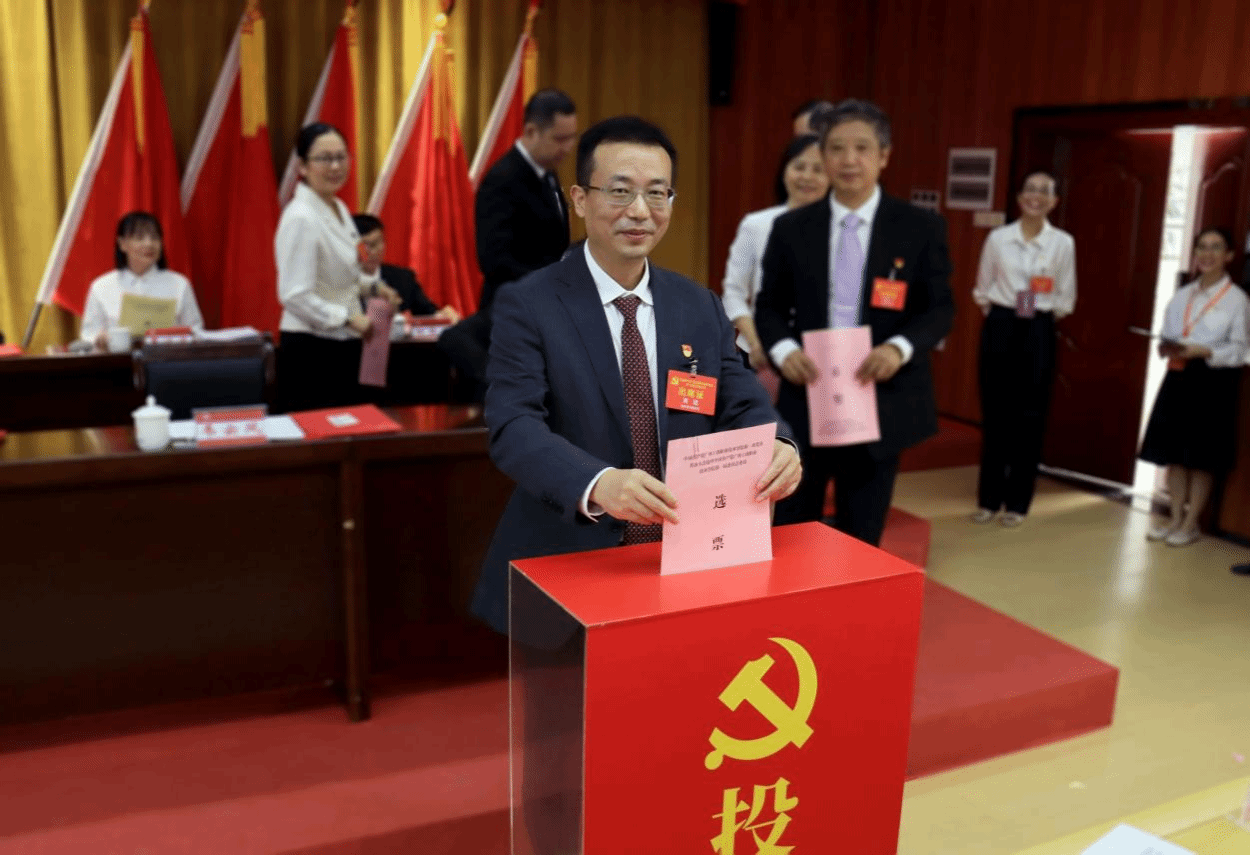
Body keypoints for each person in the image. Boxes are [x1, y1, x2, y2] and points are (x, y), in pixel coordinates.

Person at [471, 115, 802, 635]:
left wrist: (777, 442)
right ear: (580, 199)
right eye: (620, 191)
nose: (640, 211)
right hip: (571, 562)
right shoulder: (529, 304)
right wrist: (598, 482)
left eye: (657, 193)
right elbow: (514, 426)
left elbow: (740, 398)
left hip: (686, 561)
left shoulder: (698, 305)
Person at [755, 98, 954, 547]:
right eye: (837, 148)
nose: (849, 160)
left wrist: (899, 348)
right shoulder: (792, 228)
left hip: (880, 398)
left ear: (884, 156)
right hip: (808, 394)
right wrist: (784, 351)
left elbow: (940, 309)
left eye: (862, 148)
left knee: (862, 536)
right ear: (823, 155)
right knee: (792, 534)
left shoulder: (919, 227)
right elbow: (768, 306)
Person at [438, 89, 577, 399]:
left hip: (546, 309)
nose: (568, 148)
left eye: (571, 138)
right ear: (531, 131)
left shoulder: (549, 175)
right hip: (510, 312)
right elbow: (493, 259)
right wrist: (550, 281)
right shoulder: (503, 178)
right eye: (559, 139)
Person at [969, 172, 1077, 527]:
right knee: (996, 414)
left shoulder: (1062, 243)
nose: (1036, 196)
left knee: (1031, 417)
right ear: (1019, 197)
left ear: (1054, 201)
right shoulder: (999, 238)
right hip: (1001, 324)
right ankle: (988, 500)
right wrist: (1006, 315)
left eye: (1045, 191)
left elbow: (1065, 297)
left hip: (1038, 329)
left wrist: (1035, 318)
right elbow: (983, 289)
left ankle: (1017, 503)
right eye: (1030, 189)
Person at [274, 123, 401, 413]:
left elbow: (343, 276)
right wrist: (348, 319)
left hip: (344, 344)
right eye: (324, 158)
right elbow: (294, 295)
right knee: (324, 433)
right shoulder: (301, 218)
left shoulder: (338, 208)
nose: (335, 166)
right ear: (302, 166)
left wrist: (375, 288)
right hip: (312, 350)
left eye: (341, 157)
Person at [1138, 227, 1249, 547]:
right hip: (1179, 375)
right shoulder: (1183, 295)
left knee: (1201, 458)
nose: (1207, 254)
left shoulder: (1237, 300)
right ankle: (1174, 518)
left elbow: (1240, 350)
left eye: (1216, 247)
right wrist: (1167, 347)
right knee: (1173, 454)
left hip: (1214, 380)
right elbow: (1169, 332)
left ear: (1229, 256)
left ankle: (1190, 524)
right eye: (1202, 247)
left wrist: (1206, 351)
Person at [722, 133, 829, 369]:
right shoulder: (756, 225)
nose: (807, 177)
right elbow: (733, 292)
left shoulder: (843, 231)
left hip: (823, 357)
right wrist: (757, 341)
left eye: (818, 170)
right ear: (784, 171)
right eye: (799, 167)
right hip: (760, 354)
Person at [80, 211, 204, 347]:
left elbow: (196, 330)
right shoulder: (101, 286)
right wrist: (99, 339)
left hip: (169, 357)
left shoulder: (179, 284)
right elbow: (88, 334)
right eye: (139, 238)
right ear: (122, 244)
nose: (149, 244)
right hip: (118, 358)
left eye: (155, 238)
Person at [351, 213, 460, 321]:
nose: (371, 252)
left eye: (375, 244)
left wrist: (442, 316)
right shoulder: (344, 281)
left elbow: (428, 313)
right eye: (364, 246)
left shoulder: (403, 278)